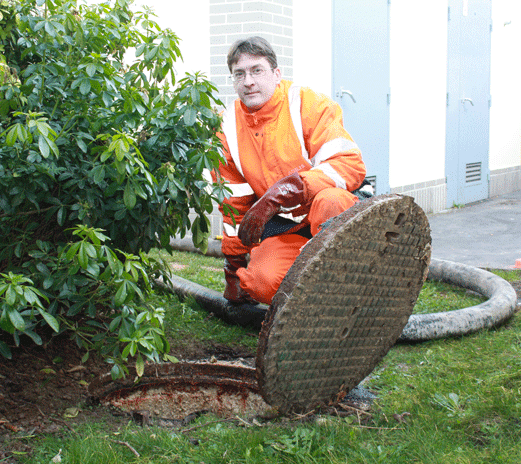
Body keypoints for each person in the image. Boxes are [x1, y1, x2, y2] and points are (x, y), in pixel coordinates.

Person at [214, 36, 367, 305]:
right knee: (261, 282)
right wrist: (233, 270)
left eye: (257, 70)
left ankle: (358, 287)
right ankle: (320, 300)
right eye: (240, 74)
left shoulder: (309, 104)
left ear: (276, 74)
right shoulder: (226, 129)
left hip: (331, 213)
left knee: (330, 201)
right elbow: (233, 205)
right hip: (287, 229)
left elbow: (348, 164)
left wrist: (282, 193)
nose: (248, 81)